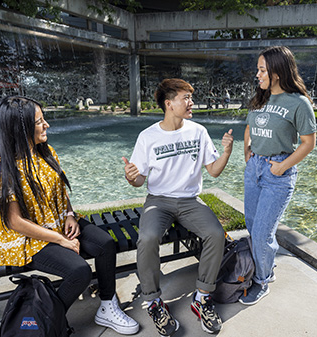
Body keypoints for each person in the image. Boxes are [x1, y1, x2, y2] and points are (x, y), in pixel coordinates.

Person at [0, 96, 139, 335]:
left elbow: (60, 191)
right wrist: (61, 240)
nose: (47, 126)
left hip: (56, 224)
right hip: (26, 239)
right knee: (79, 272)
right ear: (19, 128)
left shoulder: (45, 152)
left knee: (105, 244)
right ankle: (44, 326)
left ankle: (107, 306)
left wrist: (69, 214)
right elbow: (14, 222)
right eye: (39, 122)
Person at [122, 78, 233, 336]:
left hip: (190, 201)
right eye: (186, 98)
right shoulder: (148, 137)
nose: (191, 102)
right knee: (147, 238)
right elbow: (139, 181)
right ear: (169, 104)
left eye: (190, 98)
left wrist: (226, 152)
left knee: (216, 234)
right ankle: (153, 300)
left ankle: (202, 297)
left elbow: (213, 172)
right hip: (158, 201)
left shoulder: (198, 131)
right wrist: (131, 176)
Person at [242, 45, 316, 305]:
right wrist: (247, 154)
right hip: (255, 169)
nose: (258, 74)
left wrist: (283, 167)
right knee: (252, 226)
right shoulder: (260, 98)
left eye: (262, 70)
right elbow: (249, 127)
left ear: (276, 71)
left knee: (262, 232)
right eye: (258, 69)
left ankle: (261, 281)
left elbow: (309, 142)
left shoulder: (298, 103)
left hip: (278, 172)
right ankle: (267, 267)